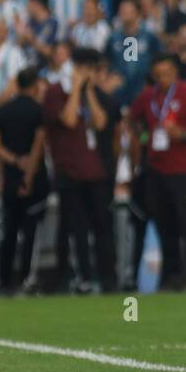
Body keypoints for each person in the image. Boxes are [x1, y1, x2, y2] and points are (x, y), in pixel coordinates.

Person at [128, 53, 186, 291]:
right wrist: (143, 137)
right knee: (164, 225)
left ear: (175, 73)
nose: (162, 79)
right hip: (156, 170)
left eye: (166, 73)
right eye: (158, 75)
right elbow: (133, 121)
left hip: (184, 170)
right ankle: (170, 275)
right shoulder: (147, 97)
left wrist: (183, 135)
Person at [44, 48, 120, 294]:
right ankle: (82, 277)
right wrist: (76, 89)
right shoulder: (56, 93)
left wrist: (88, 91)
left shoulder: (98, 96)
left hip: (97, 173)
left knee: (102, 228)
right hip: (70, 171)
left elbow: (100, 122)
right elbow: (68, 120)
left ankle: (108, 278)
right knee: (76, 229)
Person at [0, 68, 50, 295]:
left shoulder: (3, 111)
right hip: (34, 181)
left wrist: (13, 161)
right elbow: (39, 144)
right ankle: (26, 279)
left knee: (9, 232)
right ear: (34, 87)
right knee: (31, 232)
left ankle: (2, 281)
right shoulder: (38, 112)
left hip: (10, 180)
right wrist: (29, 174)